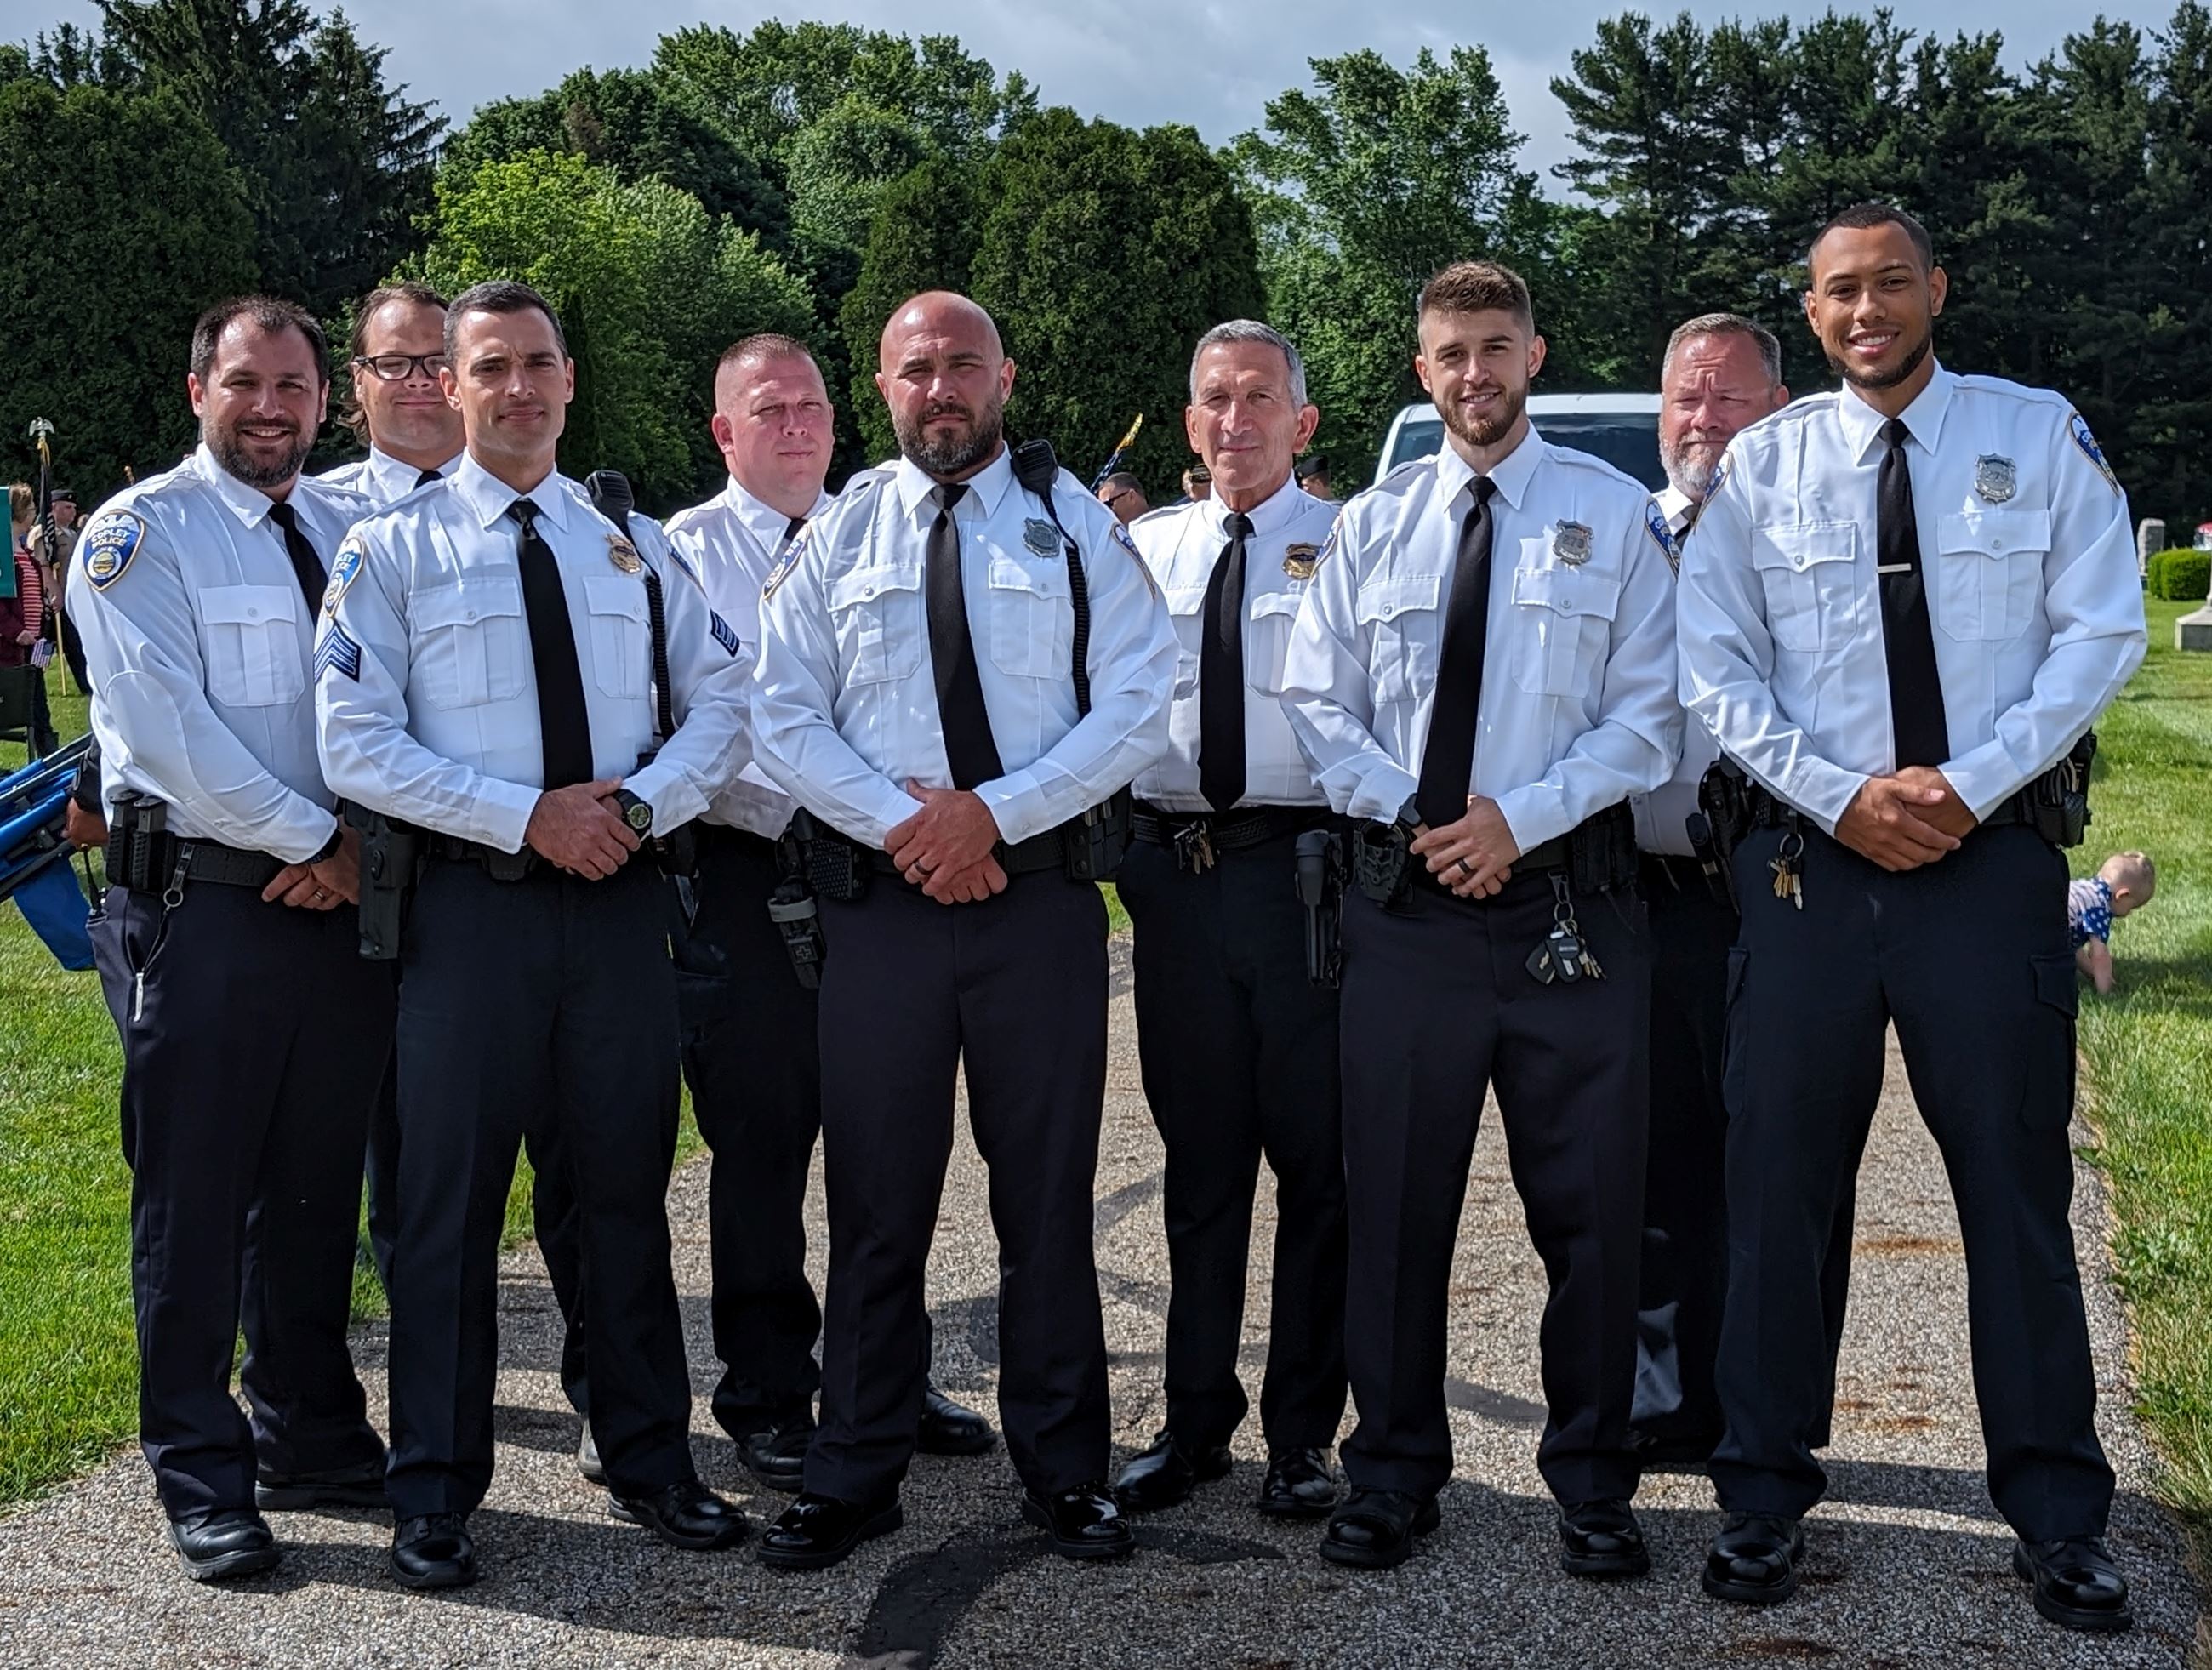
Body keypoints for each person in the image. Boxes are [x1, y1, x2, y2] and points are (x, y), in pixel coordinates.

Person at [1679, 203, 2146, 1632]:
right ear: (1811, 314)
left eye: (1891, 282)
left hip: (1986, 864)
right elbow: (1717, 661)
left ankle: (2061, 1515)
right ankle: (1760, 1496)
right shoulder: (1763, 467)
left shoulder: (2034, 432)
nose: (1867, 308)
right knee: (1773, 1196)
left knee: (2013, 1196)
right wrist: (1839, 797)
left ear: (1936, 288)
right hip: (1812, 874)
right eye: (1839, 292)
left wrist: (1967, 781)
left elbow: (2103, 625)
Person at [316, 280, 752, 1590]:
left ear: (571, 382)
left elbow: (725, 696)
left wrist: (631, 805)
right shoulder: (387, 552)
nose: (518, 389)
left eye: (540, 365)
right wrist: (524, 818)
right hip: (469, 914)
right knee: (445, 1209)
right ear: (445, 386)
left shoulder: (629, 542)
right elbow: (355, 739)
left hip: (616, 903)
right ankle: (437, 1487)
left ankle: (648, 1456)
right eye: (489, 366)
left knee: (619, 1188)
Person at [750, 289, 1175, 1570]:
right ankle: (855, 1468)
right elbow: (782, 711)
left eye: (963, 367)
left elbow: (1140, 698)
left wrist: (992, 814)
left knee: (1044, 1196)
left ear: (1005, 375)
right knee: (878, 1200)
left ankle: (1067, 1471)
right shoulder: (838, 534)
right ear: (883, 386)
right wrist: (909, 827)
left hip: (1036, 906)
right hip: (881, 907)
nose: (941, 389)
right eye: (916, 369)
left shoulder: (1076, 534)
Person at [1282, 260, 1679, 1574]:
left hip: (1570, 907)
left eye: (1496, 349)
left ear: (1534, 354)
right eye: (1451, 353)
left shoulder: (1614, 516)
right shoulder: (1374, 526)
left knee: (1592, 1211)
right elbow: (1315, 699)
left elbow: (1650, 711)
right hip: (1409, 910)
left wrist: (1525, 815)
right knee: (1395, 1205)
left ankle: (1594, 1478)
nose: (1474, 375)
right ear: (1421, 367)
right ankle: (1391, 1471)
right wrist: (1418, 812)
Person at [71, 296, 396, 1582]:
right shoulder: (136, 534)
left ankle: (306, 1424)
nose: (272, 408)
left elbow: (389, 696)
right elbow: (167, 733)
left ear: (329, 399)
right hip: (207, 908)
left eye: (296, 386)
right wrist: (319, 841)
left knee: (316, 1188)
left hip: (339, 906)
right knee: (195, 1200)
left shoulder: (345, 527)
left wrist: (360, 843)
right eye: (246, 383)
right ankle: (200, 1466)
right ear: (197, 386)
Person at [662, 332, 995, 1496]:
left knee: (884, 1143)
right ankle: (764, 1385)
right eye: (768, 409)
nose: (796, 425)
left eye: (810, 405)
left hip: (879, 870)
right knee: (761, 1141)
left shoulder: (882, 524)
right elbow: (714, 725)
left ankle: (882, 1371)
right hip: (751, 876)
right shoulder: (676, 556)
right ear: (724, 431)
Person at [1111, 320, 1347, 1523]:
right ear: (1191, 418)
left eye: (1260, 397)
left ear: (1302, 423)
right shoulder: (1142, 548)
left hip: (1302, 877)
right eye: (1214, 398)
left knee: (1318, 1169)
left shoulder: (1347, 545)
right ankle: (1195, 1422)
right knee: (1201, 1168)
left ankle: (1305, 1437)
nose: (1234, 419)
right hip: (1176, 880)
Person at [1628, 312, 1843, 1470]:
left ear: (1780, 407)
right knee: (1659, 1156)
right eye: (1685, 402)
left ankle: (1784, 1407)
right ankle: (1668, 1401)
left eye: (1732, 402)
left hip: (1785, 880)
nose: (1704, 423)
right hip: (1650, 890)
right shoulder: (1624, 538)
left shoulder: (1812, 540)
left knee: (1791, 1152)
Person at [316, 282, 468, 1305]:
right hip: (345, 868)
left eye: (433, 360)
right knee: (383, 1135)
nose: (416, 382)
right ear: (355, 387)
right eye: (391, 363)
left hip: (493, 868)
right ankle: (422, 1375)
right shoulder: (312, 513)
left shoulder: (542, 508)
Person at [321, 283, 467, 501]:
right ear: (358, 380)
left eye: (439, 362)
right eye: (392, 364)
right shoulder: (316, 511)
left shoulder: (527, 501)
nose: (418, 380)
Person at [2071, 851, 2155, 994]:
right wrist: (2106, 989)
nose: (2129, 913)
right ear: (2122, 896)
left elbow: (2071, 947)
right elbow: (2099, 955)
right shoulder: (2100, 907)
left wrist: (2091, 973)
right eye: (2132, 907)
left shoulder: (2085, 889)